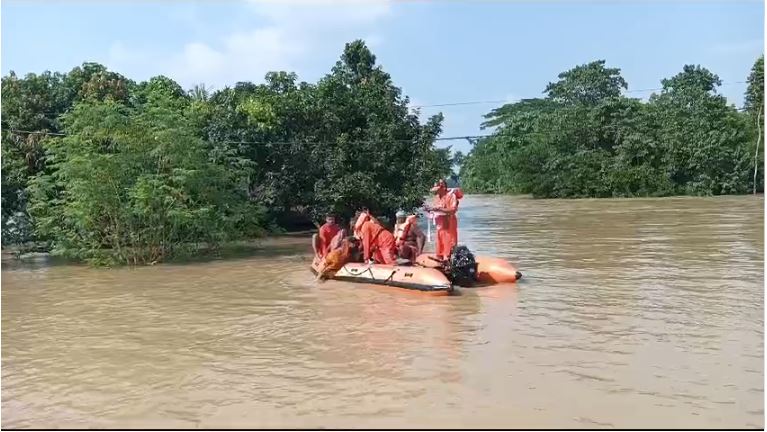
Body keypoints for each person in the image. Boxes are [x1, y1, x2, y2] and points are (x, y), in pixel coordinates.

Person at [426, 179, 460, 260]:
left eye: (437, 190)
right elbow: (435, 209)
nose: (435, 192)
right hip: (439, 227)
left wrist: (438, 209)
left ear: (443, 187)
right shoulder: (437, 197)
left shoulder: (451, 196)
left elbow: (453, 210)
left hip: (449, 226)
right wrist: (430, 210)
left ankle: (449, 260)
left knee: (449, 248)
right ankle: (440, 261)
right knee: (439, 249)